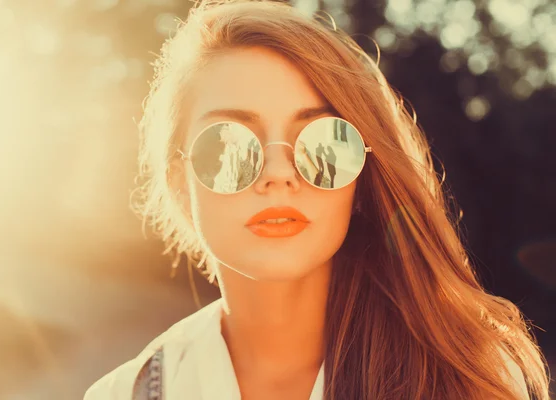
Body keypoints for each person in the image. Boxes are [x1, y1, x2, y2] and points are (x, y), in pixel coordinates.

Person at [84, 0, 551, 399]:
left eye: (324, 141)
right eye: (226, 144)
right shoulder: (126, 393)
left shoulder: (467, 378)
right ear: (179, 179)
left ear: (364, 178)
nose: (278, 174)